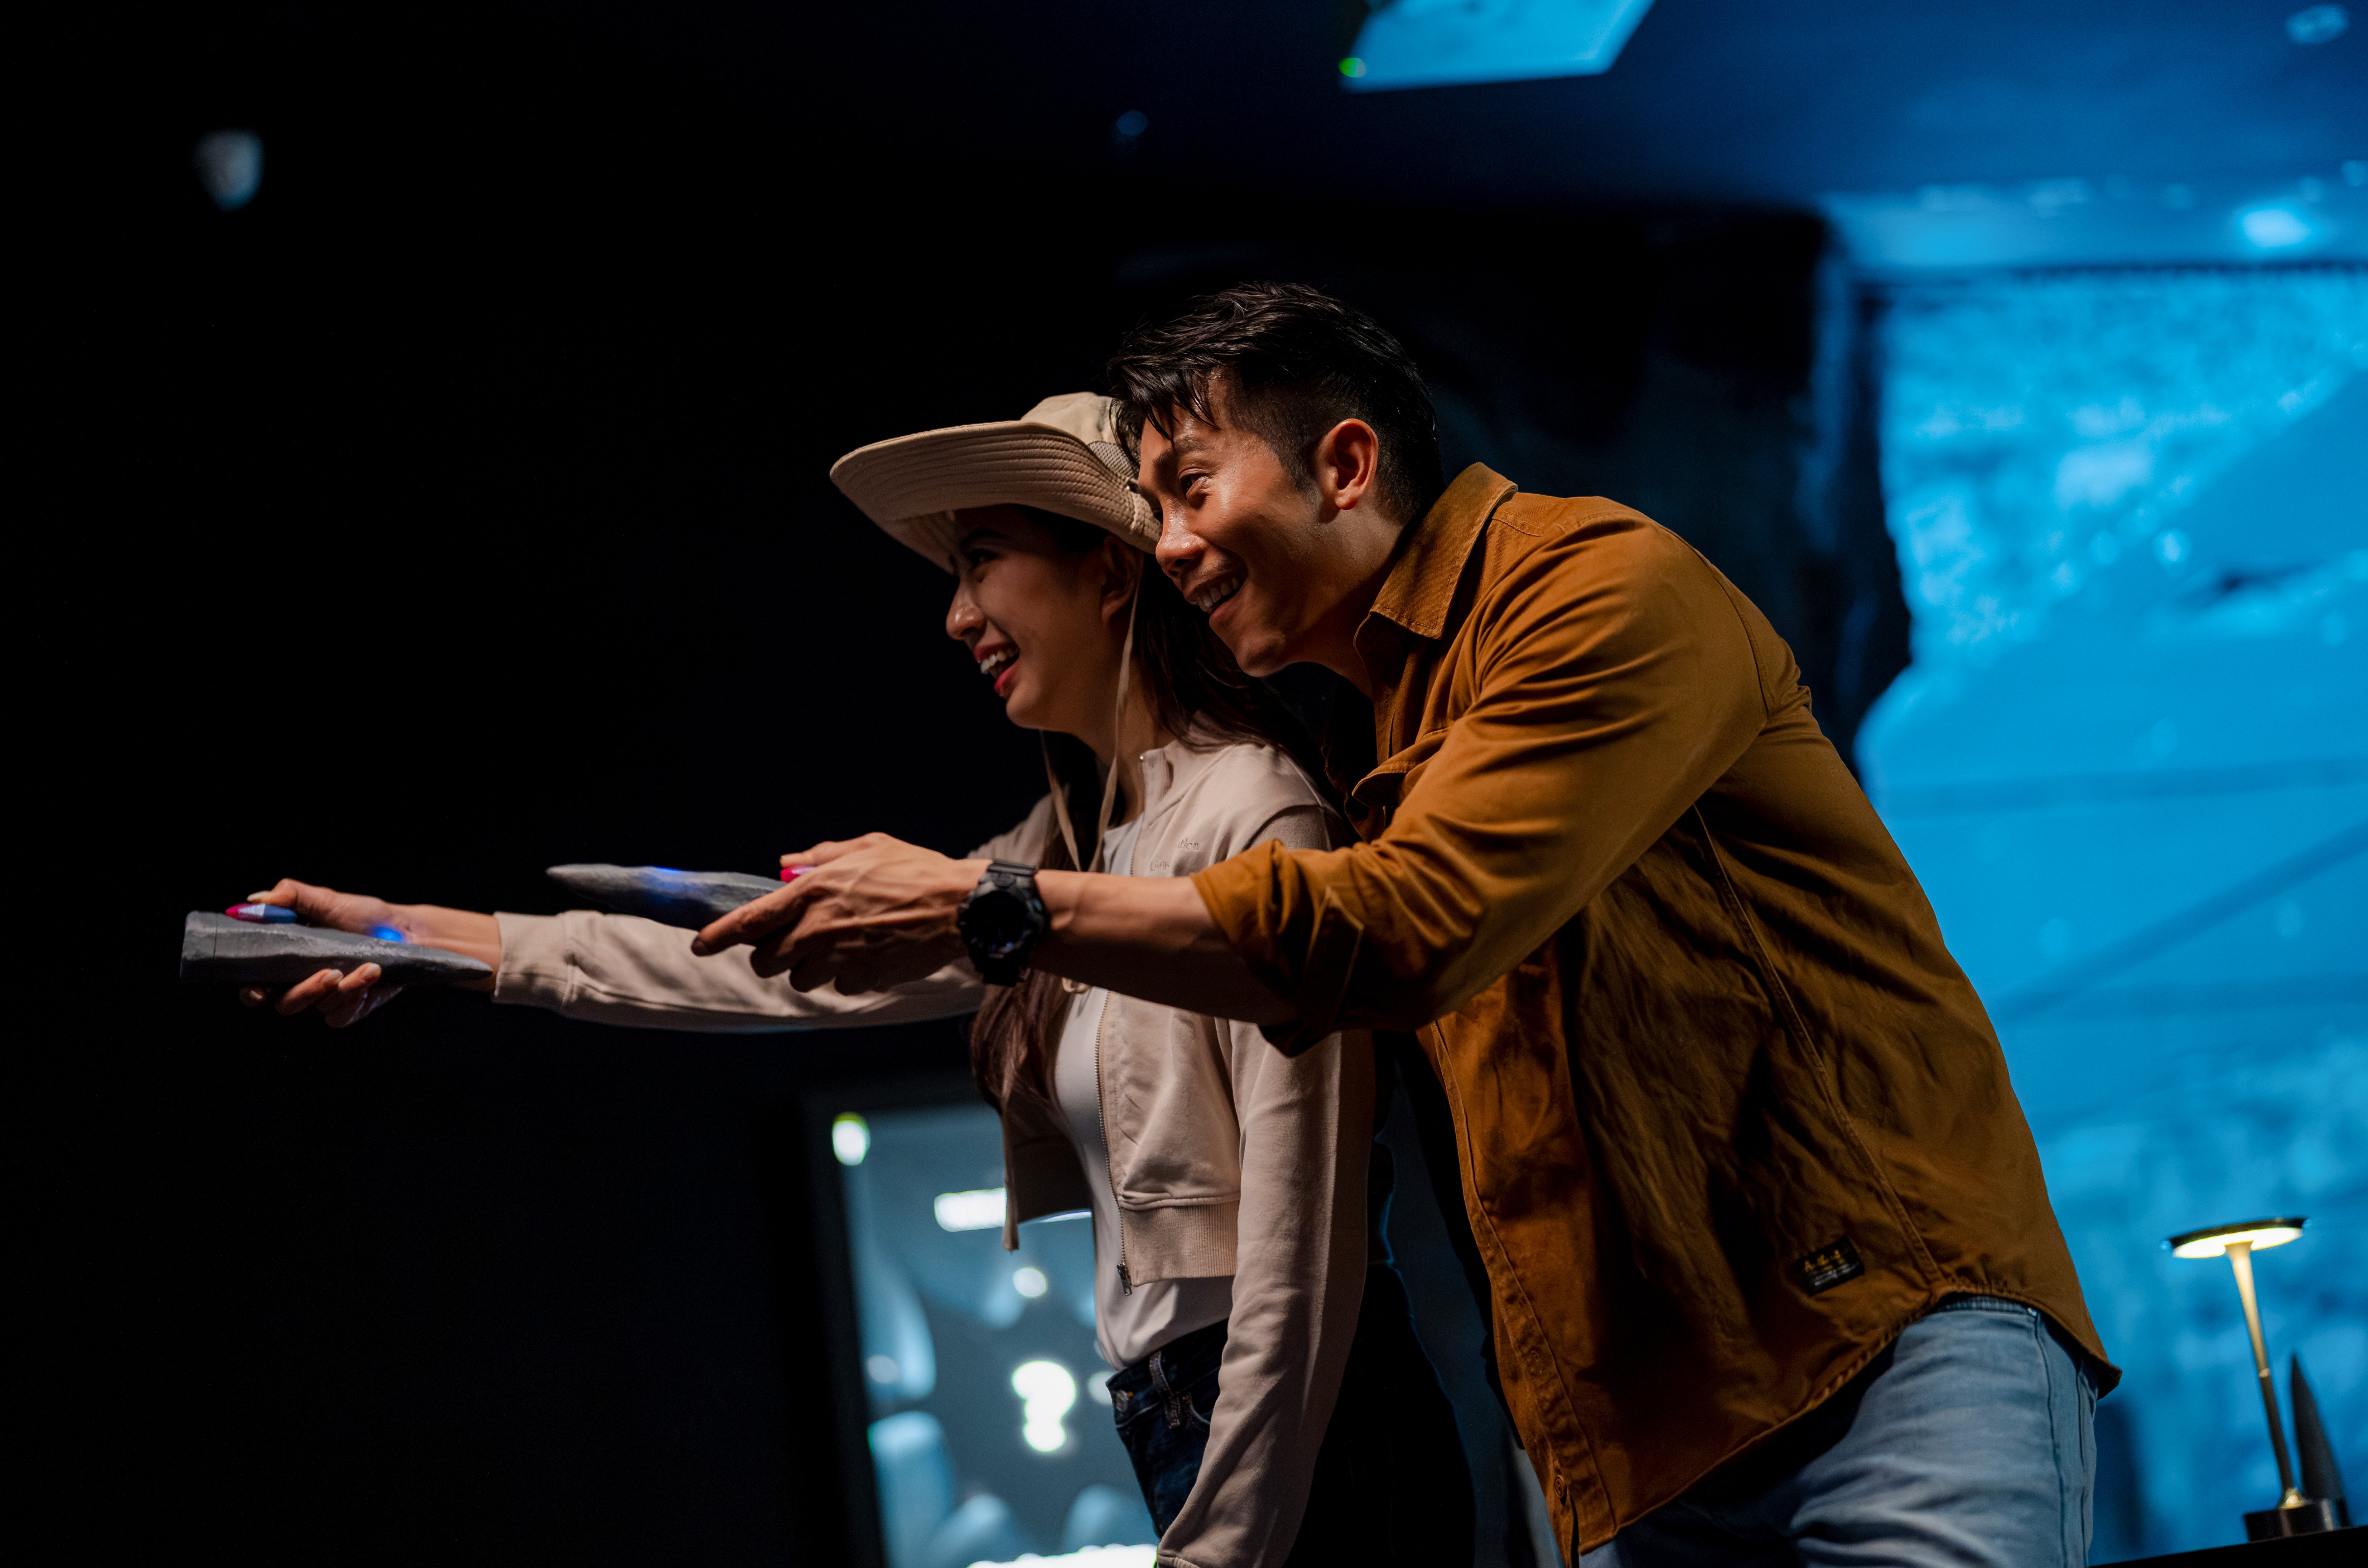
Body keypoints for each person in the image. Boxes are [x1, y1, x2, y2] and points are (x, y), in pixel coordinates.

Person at [700, 290, 2121, 1568]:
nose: (1170, 543)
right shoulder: (1367, 734)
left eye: (1191, 489)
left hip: (1878, 1345)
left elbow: (1412, 927)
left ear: (1344, 464)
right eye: (1151, 508)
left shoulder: (1594, 587)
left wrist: (1000, 908)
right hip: (1646, 1432)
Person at [236, 392, 1472, 1568]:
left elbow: (1302, 1261)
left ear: (1109, 568)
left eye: (983, 561)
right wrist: (415, 938)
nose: (957, 616)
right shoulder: (1079, 844)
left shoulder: (1256, 815)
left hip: (1311, 1455)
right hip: (1201, 1436)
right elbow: (770, 969)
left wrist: (1219, 1545)